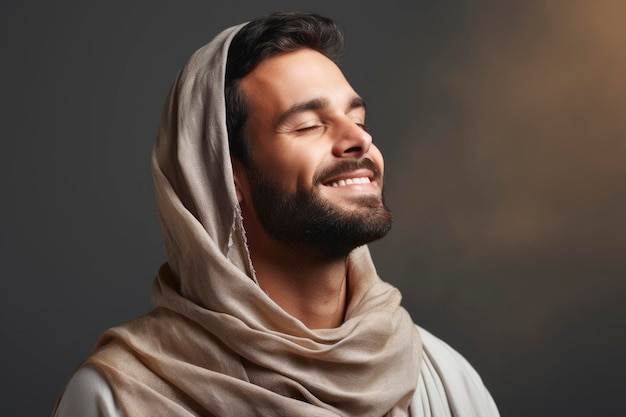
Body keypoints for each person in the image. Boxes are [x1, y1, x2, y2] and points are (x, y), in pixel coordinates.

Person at [51, 12, 500, 417]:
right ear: (226, 178)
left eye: (358, 121)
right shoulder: (118, 398)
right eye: (308, 126)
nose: (358, 141)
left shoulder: (442, 379)